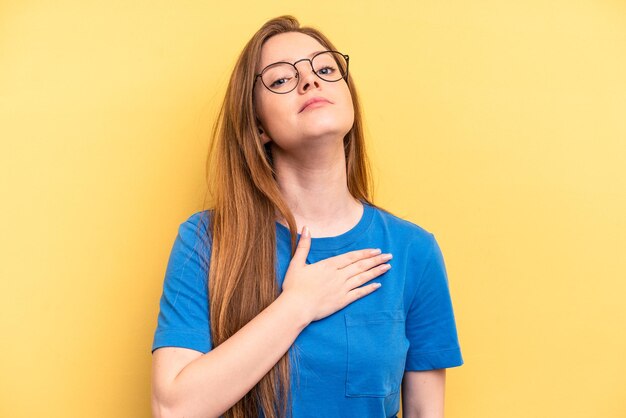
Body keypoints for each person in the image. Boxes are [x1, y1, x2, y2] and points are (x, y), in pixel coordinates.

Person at [150, 15, 463, 418]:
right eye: (281, 79)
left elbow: (425, 413)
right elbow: (173, 410)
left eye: (326, 68)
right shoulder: (206, 239)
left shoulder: (413, 251)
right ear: (258, 125)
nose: (310, 81)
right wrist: (298, 305)